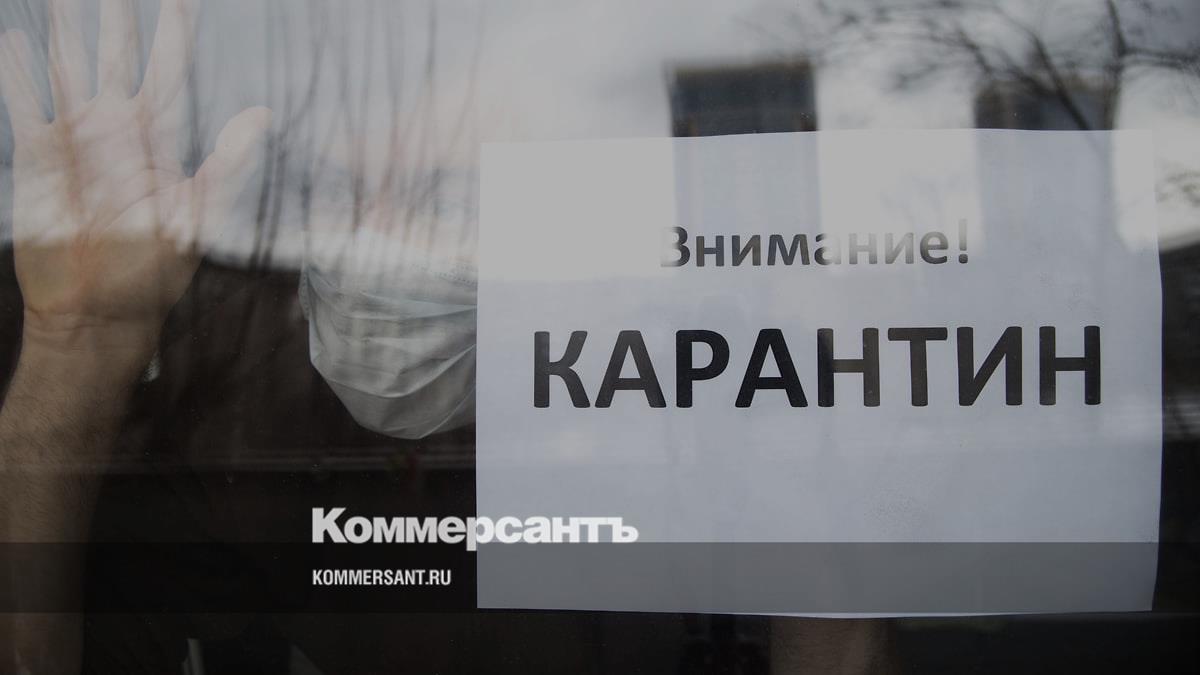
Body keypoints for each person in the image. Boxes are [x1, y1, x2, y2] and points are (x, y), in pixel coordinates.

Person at [0, 1, 893, 672]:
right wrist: (75, 352)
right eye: (371, 92)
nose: (396, 158)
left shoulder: (702, 360)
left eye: (449, 167)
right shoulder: (230, 369)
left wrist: (819, 466)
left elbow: (834, 620)